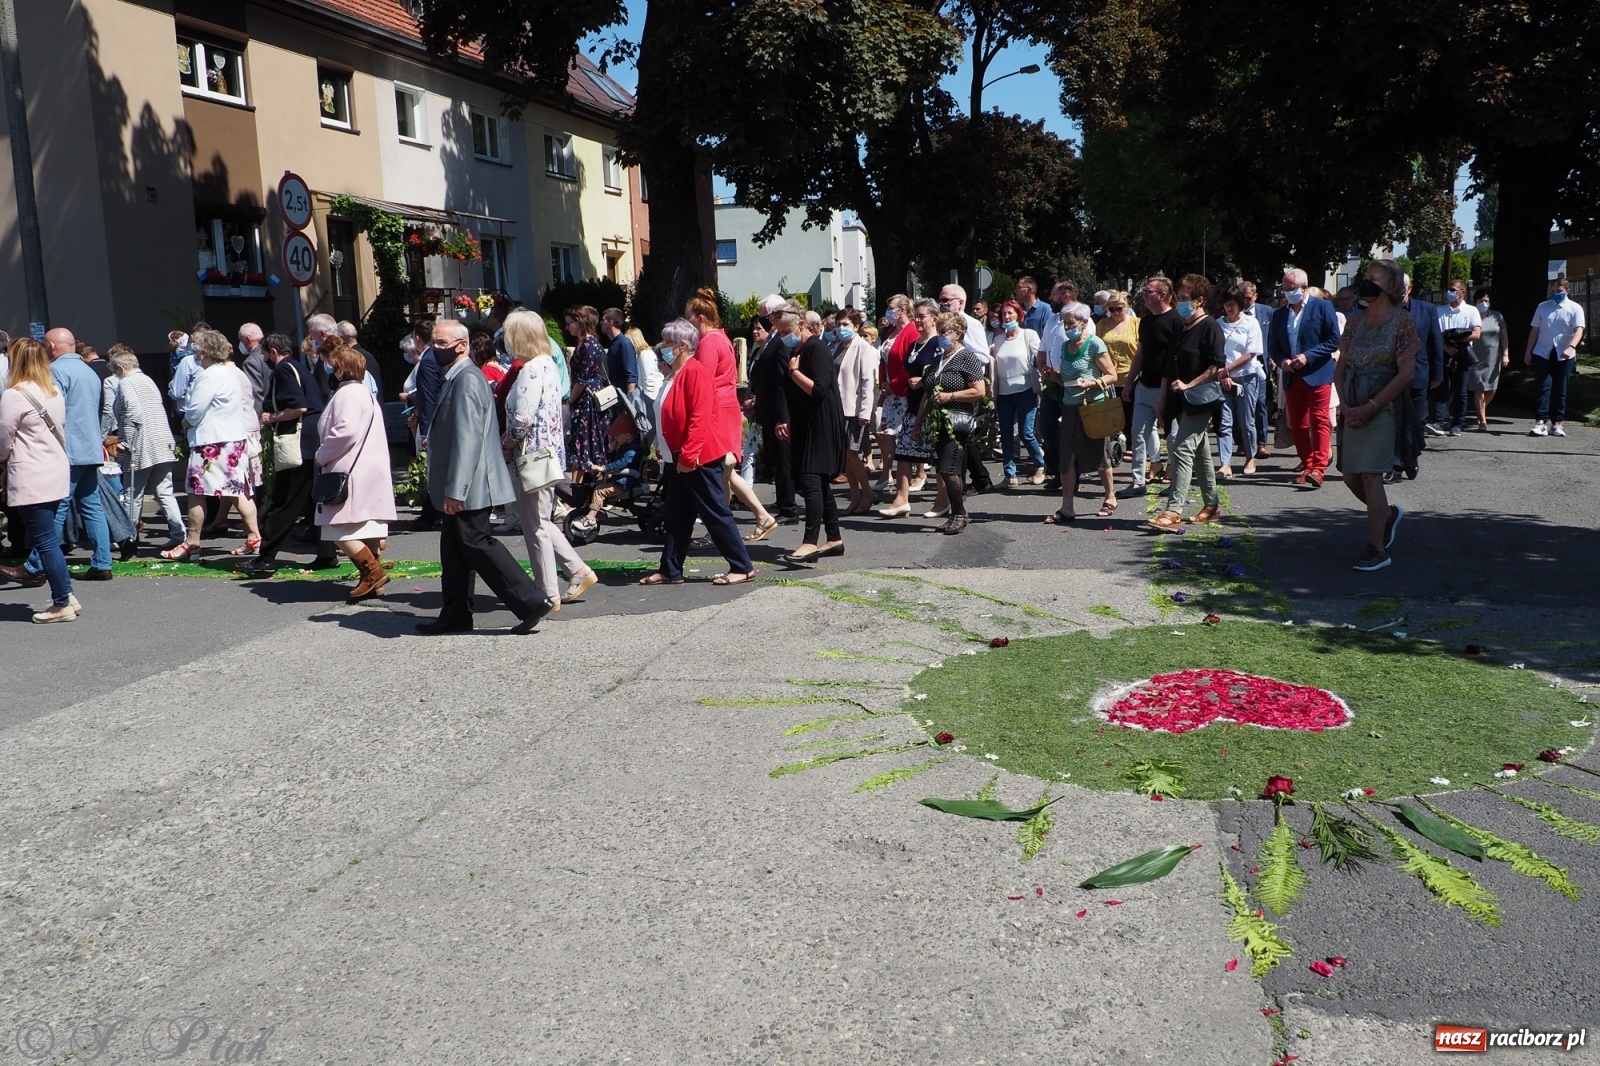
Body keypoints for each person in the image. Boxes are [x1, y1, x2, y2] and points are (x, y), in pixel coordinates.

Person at [417, 318, 553, 633]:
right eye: (433, 343)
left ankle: (531, 600)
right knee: (454, 550)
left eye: (441, 343)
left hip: (471, 484)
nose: (435, 349)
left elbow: (467, 439)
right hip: (466, 483)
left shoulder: (465, 378)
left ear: (461, 346)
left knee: (475, 541)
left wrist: (456, 490)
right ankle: (455, 614)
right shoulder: (456, 377)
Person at [641, 318, 757, 586]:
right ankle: (670, 569)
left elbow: (700, 417)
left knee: (714, 513)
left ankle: (743, 566)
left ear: (682, 346)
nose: (664, 348)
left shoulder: (695, 372)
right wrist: (663, 445)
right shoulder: (674, 374)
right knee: (676, 517)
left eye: (669, 343)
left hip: (697, 458)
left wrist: (689, 454)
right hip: (677, 456)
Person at [2, 329, 115, 582]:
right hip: (91, 446)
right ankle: (102, 562)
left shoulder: (57, 372)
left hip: (69, 449)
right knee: (92, 506)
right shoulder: (89, 370)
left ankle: (34, 566)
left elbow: (49, 414)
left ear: (51, 346)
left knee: (57, 509)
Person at [502, 310, 597, 611]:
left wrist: (506, 443)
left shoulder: (531, 369)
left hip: (531, 456)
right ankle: (577, 570)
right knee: (540, 521)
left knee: (535, 527)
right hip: (548, 454)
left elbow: (522, 419)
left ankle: (547, 592)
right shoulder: (548, 365)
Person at [1335, 259, 1420, 571]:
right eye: (1366, 276)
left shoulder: (1402, 322)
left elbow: (1406, 373)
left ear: (1392, 285)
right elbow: (1340, 369)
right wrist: (1345, 406)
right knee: (1349, 475)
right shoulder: (1354, 322)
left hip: (1384, 406)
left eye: (1374, 277)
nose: (1367, 282)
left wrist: (1372, 406)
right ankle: (1386, 515)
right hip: (1352, 402)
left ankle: (1377, 548)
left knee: (1371, 475)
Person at [238, 335, 338, 573]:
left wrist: (271, 417)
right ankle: (326, 553)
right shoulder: (298, 367)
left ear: (273, 352)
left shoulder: (283, 370)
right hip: (312, 440)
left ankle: (266, 558)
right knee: (314, 499)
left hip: (298, 444)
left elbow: (298, 407)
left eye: (265, 354)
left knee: (285, 500)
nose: (264, 359)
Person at [0, 338, 80, 621]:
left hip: (31, 474)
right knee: (48, 539)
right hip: (56, 469)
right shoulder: (53, 390)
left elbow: (3, 440)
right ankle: (66, 593)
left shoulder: (14, 395)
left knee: (44, 542)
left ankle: (61, 603)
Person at [162, 330, 260, 559]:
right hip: (233, 439)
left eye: (196, 351)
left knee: (196, 492)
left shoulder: (208, 376)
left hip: (212, 442)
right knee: (237, 491)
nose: (194, 355)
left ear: (204, 352)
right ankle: (254, 535)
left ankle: (192, 541)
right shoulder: (230, 372)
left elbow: (195, 410)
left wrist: (186, 421)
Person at [313, 341, 397, 601]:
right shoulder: (365, 393)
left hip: (349, 469)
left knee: (338, 529)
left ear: (341, 371)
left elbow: (345, 431)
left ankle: (373, 573)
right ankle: (373, 582)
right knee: (367, 528)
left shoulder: (347, 394)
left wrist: (321, 454)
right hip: (368, 469)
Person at [1148, 276, 1226, 532]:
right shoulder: (1182, 328)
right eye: (1179, 298)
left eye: (1184, 299)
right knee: (1200, 451)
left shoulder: (1210, 327)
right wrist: (1162, 400)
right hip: (1180, 400)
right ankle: (1212, 505)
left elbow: (1215, 366)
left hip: (1201, 399)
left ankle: (1173, 511)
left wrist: (1189, 385)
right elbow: (1169, 367)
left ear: (1199, 300)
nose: (1180, 303)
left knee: (1181, 448)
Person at [777, 310, 849, 562]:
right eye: (779, 331)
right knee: (820, 483)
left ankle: (810, 543)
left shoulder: (816, 348)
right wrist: (786, 419)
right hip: (806, 423)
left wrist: (795, 373)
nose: (782, 336)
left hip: (822, 424)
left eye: (785, 331)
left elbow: (818, 390)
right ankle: (834, 538)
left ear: (800, 325)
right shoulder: (797, 351)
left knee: (810, 481)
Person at [1267, 268, 1341, 488]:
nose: (1286, 293)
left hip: (1318, 373)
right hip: (1291, 376)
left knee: (1319, 420)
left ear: (1304, 288)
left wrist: (1308, 357)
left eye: (1290, 289)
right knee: (1297, 423)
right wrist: (1282, 361)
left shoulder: (1323, 307)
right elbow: (1273, 346)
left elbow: (1333, 340)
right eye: (1284, 288)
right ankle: (1307, 465)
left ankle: (1319, 468)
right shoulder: (1279, 314)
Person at [1044, 307, 1118, 524]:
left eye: (1071, 324)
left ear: (1084, 322)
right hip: (1069, 408)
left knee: (1100, 455)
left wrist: (1093, 383)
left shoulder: (1094, 344)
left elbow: (1112, 375)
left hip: (1092, 408)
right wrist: (1052, 376)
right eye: (1065, 324)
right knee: (1067, 457)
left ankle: (1110, 496)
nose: (1067, 328)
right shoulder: (1066, 346)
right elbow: (1066, 378)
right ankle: (1067, 507)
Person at [110, 348, 184, 552]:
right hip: (162, 440)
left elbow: (133, 412)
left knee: (132, 492)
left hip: (141, 445)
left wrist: (127, 441)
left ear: (120, 368)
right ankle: (180, 534)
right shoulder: (148, 380)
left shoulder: (126, 382)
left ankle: (128, 537)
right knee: (164, 491)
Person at [920, 313, 988, 534]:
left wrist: (952, 396)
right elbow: (927, 394)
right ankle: (956, 514)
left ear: (958, 334)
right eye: (938, 331)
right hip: (938, 421)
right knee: (946, 470)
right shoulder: (940, 358)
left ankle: (960, 513)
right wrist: (917, 423)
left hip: (957, 420)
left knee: (948, 469)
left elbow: (979, 391)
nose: (940, 336)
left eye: (944, 332)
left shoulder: (967, 357)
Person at [879, 299, 945, 517]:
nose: (917, 320)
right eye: (915, 316)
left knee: (938, 456)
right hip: (913, 405)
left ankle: (943, 500)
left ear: (934, 319)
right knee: (904, 453)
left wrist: (924, 381)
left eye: (922, 316)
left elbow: (943, 373)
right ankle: (901, 499)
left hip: (933, 408)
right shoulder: (916, 344)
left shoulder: (938, 344)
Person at [1121, 276, 1181, 495]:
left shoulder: (1176, 320)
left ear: (1162, 296)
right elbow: (1141, 353)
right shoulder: (1145, 321)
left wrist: (1164, 396)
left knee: (1172, 437)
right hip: (1145, 386)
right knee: (1137, 433)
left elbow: (1173, 359)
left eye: (1149, 292)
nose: (1144, 296)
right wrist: (1129, 382)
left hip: (1168, 389)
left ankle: (1175, 480)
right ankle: (1138, 481)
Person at [747, 295, 800, 524]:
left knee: (783, 461)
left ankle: (789, 507)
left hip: (777, 413)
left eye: (765, 316)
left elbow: (780, 383)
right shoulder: (770, 343)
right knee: (775, 460)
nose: (763, 320)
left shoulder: (779, 343)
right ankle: (782, 500)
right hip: (766, 410)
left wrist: (781, 417)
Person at [685, 288, 745, 467]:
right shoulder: (720, 337)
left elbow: (703, 382)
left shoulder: (708, 342)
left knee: (720, 467)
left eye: (688, 318)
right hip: (726, 406)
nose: (686, 322)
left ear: (700, 318)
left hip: (718, 410)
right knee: (726, 472)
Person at [989, 299, 1044, 488]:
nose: (1006, 317)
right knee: (1005, 435)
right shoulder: (998, 340)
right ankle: (1009, 475)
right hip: (1004, 393)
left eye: (1010, 313)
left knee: (1025, 432)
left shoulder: (1029, 335)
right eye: (1004, 314)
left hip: (1025, 389)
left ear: (1019, 315)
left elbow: (1040, 357)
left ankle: (1039, 465)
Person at [1525, 276, 1587, 438]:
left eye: (1559, 291)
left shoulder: (1575, 308)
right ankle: (1540, 422)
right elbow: (1534, 331)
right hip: (1542, 351)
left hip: (1564, 353)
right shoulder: (1543, 307)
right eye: (1553, 291)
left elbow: (1579, 330)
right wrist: (1528, 351)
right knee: (1543, 386)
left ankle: (1557, 423)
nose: (1556, 294)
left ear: (1567, 291)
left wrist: (1571, 346)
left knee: (1560, 389)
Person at [833, 308, 879, 515]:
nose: (841, 329)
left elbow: (867, 381)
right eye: (839, 325)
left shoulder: (862, 348)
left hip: (853, 409)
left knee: (852, 453)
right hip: (837, 408)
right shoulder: (836, 346)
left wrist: (864, 412)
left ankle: (867, 492)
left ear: (856, 326)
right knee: (844, 456)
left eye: (846, 325)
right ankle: (855, 497)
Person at [1217, 287, 1265, 478]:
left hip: (1246, 376)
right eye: (1226, 304)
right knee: (1225, 421)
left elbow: (1251, 352)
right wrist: (1223, 373)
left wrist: (1229, 369)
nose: (1229, 308)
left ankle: (1250, 456)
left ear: (1240, 304)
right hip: (1223, 378)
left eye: (1233, 304)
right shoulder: (1217, 324)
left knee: (1246, 421)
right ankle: (1225, 463)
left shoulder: (1250, 323)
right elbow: (1215, 350)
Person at [874, 294, 917, 495]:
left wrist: (894, 384)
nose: (888, 312)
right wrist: (883, 383)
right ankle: (886, 474)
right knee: (888, 433)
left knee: (908, 434)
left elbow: (909, 364)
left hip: (904, 392)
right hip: (890, 393)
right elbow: (884, 359)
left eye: (891, 308)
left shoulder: (911, 332)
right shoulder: (891, 331)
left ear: (902, 310)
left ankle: (919, 474)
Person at [564, 305, 612, 478]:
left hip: (589, 402)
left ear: (581, 322)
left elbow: (583, 379)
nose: (567, 327)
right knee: (583, 443)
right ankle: (583, 489)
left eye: (570, 323)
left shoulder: (590, 345)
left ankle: (580, 491)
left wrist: (571, 400)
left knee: (586, 444)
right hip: (584, 400)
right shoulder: (582, 343)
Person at [1096, 290, 1139, 477]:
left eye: (1119, 308)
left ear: (1127, 307)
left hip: (1132, 375)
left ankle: (1134, 450)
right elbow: (1096, 347)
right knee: (1112, 417)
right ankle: (1115, 448)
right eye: (1111, 309)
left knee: (1132, 417)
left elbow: (1140, 350)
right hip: (1109, 377)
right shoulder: (1103, 324)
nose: (1115, 312)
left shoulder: (1137, 324)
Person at [1430, 280, 1481, 437]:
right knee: (1442, 387)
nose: (1450, 293)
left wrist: (1458, 339)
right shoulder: (1440, 311)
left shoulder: (1471, 311)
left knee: (1461, 391)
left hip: (1463, 353)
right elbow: (1435, 333)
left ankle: (1457, 423)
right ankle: (1438, 421)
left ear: (1462, 292)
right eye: (1448, 290)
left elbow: (1476, 334)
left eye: (1453, 290)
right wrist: (1446, 346)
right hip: (1444, 352)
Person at [1467, 288, 1509, 430]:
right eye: (1480, 301)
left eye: (1486, 301)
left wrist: (1505, 353)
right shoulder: (1472, 316)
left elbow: (1503, 336)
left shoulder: (1497, 316)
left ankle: (1482, 408)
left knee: (1491, 389)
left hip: (1493, 358)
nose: (1483, 303)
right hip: (1475, 357)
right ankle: (1482, 421)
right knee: (1479, 387)